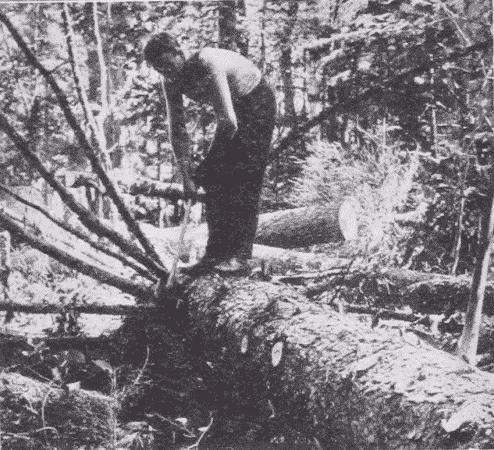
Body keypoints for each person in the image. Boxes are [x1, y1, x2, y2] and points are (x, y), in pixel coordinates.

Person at [144, 33, 276, 275]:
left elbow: (228, 123)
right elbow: (178, 130)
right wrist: (187, 177)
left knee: (244, 179)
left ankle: (240, 257)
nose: (167, 72)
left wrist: (204, 168)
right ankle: (213, 255)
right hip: (234, 112)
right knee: (214, 182)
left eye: (169, 64)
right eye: (160, 69)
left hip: (257, 102)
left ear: (179, 54)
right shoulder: (170, 81)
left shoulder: (206, 63)